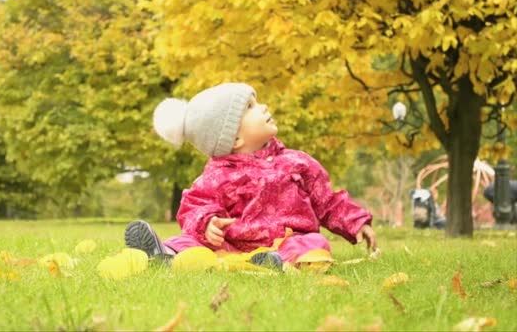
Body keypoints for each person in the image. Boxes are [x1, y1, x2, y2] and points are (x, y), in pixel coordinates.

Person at [125, 83, 376, 269]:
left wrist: (356, 222)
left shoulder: (297, 162)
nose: (263, 106)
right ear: (234, 138)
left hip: (287, 241)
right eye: (250, 107)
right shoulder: (217, 174)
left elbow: (327, 201)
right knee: (187, 242)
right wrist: (207, 223)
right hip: (231, 247)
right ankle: (163, 254)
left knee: (314, 243)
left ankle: (276, 262)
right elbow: (194, 206)